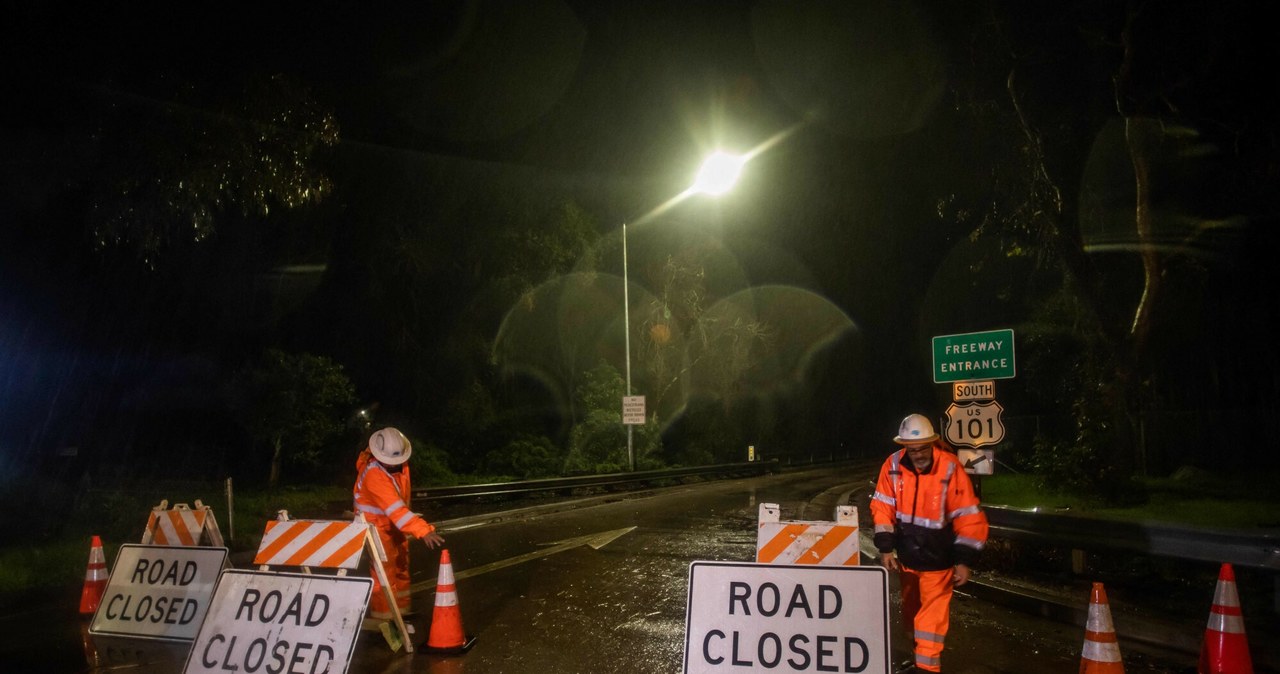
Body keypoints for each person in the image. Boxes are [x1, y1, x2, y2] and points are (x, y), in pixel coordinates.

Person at [870, 413, 989, 673]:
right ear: (904, 447)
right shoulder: (892, 466)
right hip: (908, 559)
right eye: (912, 450)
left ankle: (926, 667)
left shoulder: (949, 467)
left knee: (930, 621)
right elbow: (882, 507)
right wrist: (886, 547)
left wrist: (963, 560)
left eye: (923, 448)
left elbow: (968, 516)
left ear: (933, 443)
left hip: (938, 561)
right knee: (912, 616)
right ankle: (918, 659)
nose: (919, 454)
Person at [353, 426, 446, 620]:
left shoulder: (401, 467)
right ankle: (385, 619)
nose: (394, 464)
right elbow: (396, 509)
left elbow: (400, 506)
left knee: (402, 566)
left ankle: (401, 612)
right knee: (384, 575)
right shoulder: (374, 475)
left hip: (393, 524)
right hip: (375, 527)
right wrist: (423, 530)